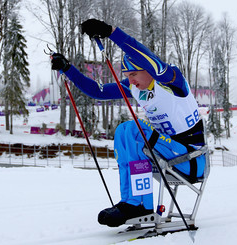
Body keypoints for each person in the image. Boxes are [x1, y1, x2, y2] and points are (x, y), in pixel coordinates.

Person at [50, 19, 206, 227]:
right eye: (127, 76)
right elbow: (98, 91)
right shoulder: (136, 88)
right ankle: (132, 202)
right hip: (167, 155)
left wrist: (111, 32)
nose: (131, 80)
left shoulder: (171, 81)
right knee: (124, 129)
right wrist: (68, 69)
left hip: (192, 160)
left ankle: (138, 204)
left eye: (134, 74)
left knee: (133, 129)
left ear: (148, 70)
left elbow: (148, 58)